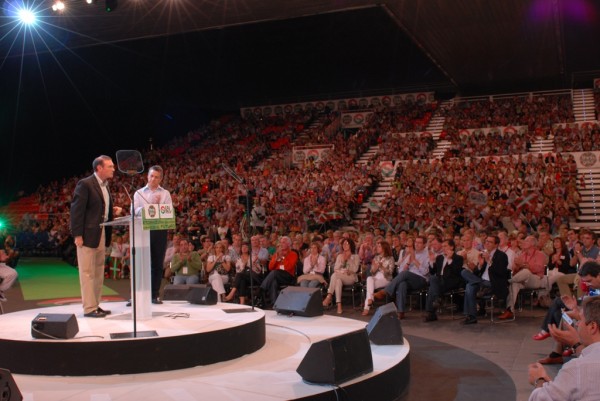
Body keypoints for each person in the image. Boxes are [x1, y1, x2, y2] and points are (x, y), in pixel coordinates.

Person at [70, 155, 122, 318]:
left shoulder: (105, 186)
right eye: (110, 166)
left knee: (99, 271)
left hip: (101, 233)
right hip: (87, 235)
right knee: (87, 272)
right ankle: (89, 308)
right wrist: (77, 234)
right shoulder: (85, 184)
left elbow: (97, 209)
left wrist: (111, 211)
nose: (113, 169)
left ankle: (95, 305)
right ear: (99, 168)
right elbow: (76, 211)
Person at [527, 294, 600, 400]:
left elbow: (543, 399)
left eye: (580, 320)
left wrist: (539, 380)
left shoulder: (577, 368)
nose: (578, 324)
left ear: (592, 327)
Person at [133, 165, 173, 304]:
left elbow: (168, 211)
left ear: (160, 179)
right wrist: (149, 207)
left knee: (157, 263)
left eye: (156, 177)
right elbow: (134, 210)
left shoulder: (165, 194)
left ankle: (154, 294)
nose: (153, 179)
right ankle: (137, 295)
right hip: (142, 230)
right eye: (151, 176)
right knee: (140, 263)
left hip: (159, 230)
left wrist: (157, 208)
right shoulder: (138, 193)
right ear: (147, 176)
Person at [374, 235, 430, 319]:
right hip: (407, 278)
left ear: (424, 244)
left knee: (406, 274)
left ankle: (386, 291)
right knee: (402, 284)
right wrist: (407, 263)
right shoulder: (411, 253)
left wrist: (414, 260)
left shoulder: (427, 255)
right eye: (416, 242)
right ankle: (401, 312)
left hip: (421, 279)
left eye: (419, 243)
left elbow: (425, 272)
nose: (417, 244)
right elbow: (400, 271)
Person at [461, 235, 510, 325]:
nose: (486, 243)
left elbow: (501, 272)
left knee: (469, 285)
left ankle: (471, 316)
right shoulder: (483, 254)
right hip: (482, 282)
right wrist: (479, 265)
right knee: (465, 274)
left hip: (493, 283)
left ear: (496, 245)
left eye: (490, 242)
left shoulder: (501, 255)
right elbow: (477, 273)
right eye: (486, 241)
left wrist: (489, 261)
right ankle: (472, 317)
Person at [498, 235, 548, 320]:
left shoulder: (540, 254)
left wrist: (523, 265)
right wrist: (516, 266)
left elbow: (538, 268)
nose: (524, 242)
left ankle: (508, 281)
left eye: (526, 241)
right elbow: (514, 270)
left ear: (532, 244)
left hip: (535, 279)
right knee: (514, 284)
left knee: (526, 272)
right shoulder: (522, 254)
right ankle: (510, 310)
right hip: (521, 280)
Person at [423, 239, 464, 322]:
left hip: (452, 281)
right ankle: (437, 299)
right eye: (443, 246)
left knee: (432, 285)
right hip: (439, 281)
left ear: (452, 247)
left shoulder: (458, 258)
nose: (443, 248)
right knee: (433, 280)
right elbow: (433, 271)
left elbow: (457, 272)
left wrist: (449, 260)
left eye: (445, 246)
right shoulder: (440, 258)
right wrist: (431, 261)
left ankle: (431, 312)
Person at [323, 238, 360, 314]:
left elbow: (355, 269)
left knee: (335, 275)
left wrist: (349, 259)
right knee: (338, 281)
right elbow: (336, 268)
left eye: (347, 244)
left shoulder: (355, 256)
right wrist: (342, 261)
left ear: (351, 245)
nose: (345, 245)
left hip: (350, 277)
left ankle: (329, 296)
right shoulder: (340, 256)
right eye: (343, 244)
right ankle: (339, 305)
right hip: (340, 275)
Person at [260, 236, 298, 307]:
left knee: (275, 272)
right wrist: (277, 258)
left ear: (288, 244)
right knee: (273, 281)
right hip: (276, 276)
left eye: (283, 242)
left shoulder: (293, 254)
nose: (281, 244)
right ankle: (275, 304)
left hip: (288, 276)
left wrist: (283, 257)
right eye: (280, 242)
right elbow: (270, 267)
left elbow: (288, 267)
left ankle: (262, 288)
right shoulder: (277, 253)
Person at [363, 240, 395, 316]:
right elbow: (372, 272)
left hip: (386, 278)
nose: (377, 248)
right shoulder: (376, 258)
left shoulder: (390, 258)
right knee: (369, 279)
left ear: (384, 248)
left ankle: (366, 307)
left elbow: (390, 272)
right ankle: (370, 299)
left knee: (369, 286)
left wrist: (381, 267)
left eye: (379, 246)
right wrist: (375, 268)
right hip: (376, 277)